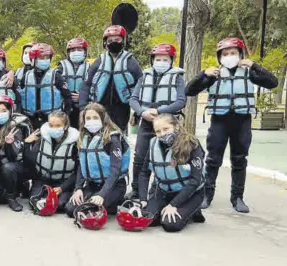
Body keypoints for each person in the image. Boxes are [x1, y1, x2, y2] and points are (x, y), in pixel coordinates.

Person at [185, 37, 278, 212]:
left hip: (242, 121)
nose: (229, 56)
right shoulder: (214, 75)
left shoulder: (249, 73)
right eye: (225, 54)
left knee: (239, 160)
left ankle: (237, 198)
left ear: (241, 54)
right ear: (220, 57)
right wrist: (203, 74)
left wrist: (254, 65)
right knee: (213, 160)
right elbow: (189, 90)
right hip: (220, 121)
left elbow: (273, 83)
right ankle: (206, 195)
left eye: (233, 53)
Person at [128, 43, 186, 200]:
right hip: (146, 123)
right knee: (140, 157)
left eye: (165, 59)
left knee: (165, 158)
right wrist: (142, 112)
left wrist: (159, 111)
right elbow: (133, 99)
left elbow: (181, 102)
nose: (161, 62)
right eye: (158, 59)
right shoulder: (144, 77)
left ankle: (160, 191)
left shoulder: (177, 78)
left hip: (166, 125)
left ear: (171, 61)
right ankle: (135, 190)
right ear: (152, 60)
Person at [138, 114, 206, 232]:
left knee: (170, 224)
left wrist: (173, 205)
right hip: (164, 192)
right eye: (158, 131)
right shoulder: (153, 144)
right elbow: (144, 173)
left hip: (190, 194)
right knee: (145, 219)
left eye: (166, 129)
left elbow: (195, 181)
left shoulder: (192, 144)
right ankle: (167, 209)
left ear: (176, 127)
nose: (162, 134)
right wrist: (143, 199)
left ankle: (193, 210)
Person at [66, 103, 131, 216]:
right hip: (93, 185)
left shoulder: (113, 138)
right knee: (70, 210)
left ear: (102, 118)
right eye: (88, 118)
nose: (91, 121)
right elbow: (82, 165)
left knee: (89, 211)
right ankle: (107, 204)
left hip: (114, 185)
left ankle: (117, 201)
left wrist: (102, 194)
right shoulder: (83, 137)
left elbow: (115, 170)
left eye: (95, 117)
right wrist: (78, 188)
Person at [79, 25, 143, 132]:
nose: (114, 42)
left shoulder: (131, 61)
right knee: (100, 136)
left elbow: (141, 86)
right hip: (100, 107)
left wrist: (137, 113)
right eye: (110, 40)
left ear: (123, 41)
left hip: (122, 109)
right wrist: (82, 107)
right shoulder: (99, 61)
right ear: (105, 43)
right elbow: (86, 85)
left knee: (119, 137)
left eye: (117, 39)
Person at [23, 111, 79, 216]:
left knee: (61, 205)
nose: (54, 128)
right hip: (43, 179)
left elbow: (78, 171)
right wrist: (27, 145)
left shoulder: (75, 143)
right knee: (34, 201)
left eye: (58, 125)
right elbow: (30, 161)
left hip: (64, 181)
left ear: (66, 126)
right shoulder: (42, 138)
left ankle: (58, 196)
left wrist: (62, 187)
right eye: (51, 125)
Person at [0, 95, 29, 211]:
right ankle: (14, 189)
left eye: (4, 110)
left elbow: (13, 156)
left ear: (10, 111)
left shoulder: (16, 128)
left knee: (8, 167)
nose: (1, 113)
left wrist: (9, 144)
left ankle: (11, 197)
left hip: (15, 166)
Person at [18, 43, 73, 129]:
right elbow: (19, 96)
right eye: (41, 58)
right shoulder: (26, 76)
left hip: (52, 120)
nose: (45, 60)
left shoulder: (56, 76)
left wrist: (65, 115)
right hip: (30, 119)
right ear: (33, 60)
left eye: (47, 58)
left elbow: (68, 97)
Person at [58, 38, 90, 128]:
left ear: (85, 52)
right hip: (65, 106)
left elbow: (95, 87)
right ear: (68, 53)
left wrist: (83, 96)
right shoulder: (61, 67)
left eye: (79, 50)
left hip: (83, 107)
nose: (76, 52)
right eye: (73, 50)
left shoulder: (90, 68)